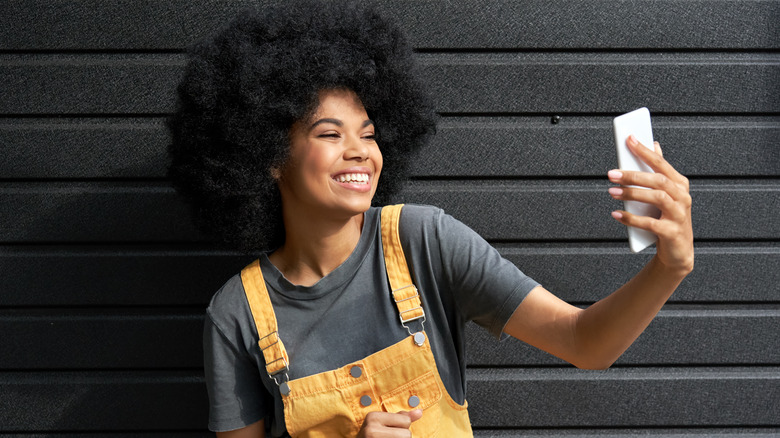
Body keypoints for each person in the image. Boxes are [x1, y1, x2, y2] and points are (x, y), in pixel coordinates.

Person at [168, 1, 694, 437]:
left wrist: (668, 268)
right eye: (330, 134)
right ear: (267, 156)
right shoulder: (237, 315)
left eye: (369, 134)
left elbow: (585, 342)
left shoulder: (423, 241)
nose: (360, 152)